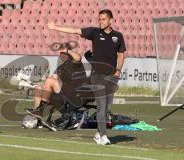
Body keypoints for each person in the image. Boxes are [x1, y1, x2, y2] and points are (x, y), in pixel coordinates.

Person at [47, 9, 126, 145]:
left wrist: (118, 70)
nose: (100, 21)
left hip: (111, 77)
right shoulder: (94, 32)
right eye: (99, 19)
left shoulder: (118, 36)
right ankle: (103, 136)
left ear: (111, 20)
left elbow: (121, 54)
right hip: (97, 76)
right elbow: (75, 30)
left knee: (106, 109)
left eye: (103, 19)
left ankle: (98, 134)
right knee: (101, 106)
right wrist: (55, 28)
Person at [27, 47, 86, 128]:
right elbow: (52, 79)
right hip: (62, 93)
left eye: (65, 54)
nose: (62, 55)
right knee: (38, 88)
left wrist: (67, 50)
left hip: (76, 93)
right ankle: (38, 118)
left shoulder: (75, 63)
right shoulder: (60, 68)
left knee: (50, 81)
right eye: (61, 54)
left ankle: (41, 109)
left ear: (69, 54)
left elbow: (78, 57)